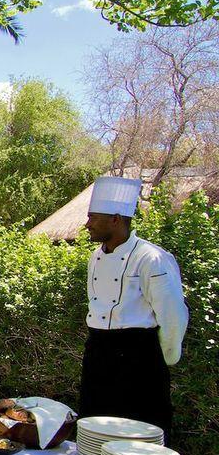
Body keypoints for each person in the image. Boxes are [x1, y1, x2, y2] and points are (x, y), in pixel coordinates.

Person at [80, 176, 189, 439]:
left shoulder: (151, 258)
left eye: (93, 217)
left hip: (137, 357)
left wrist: (161, 357)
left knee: (140, 432)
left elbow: (173, 315)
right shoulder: (95, 257)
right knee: (93, 428)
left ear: (116, 219)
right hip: (98, 352)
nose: (87, 225)